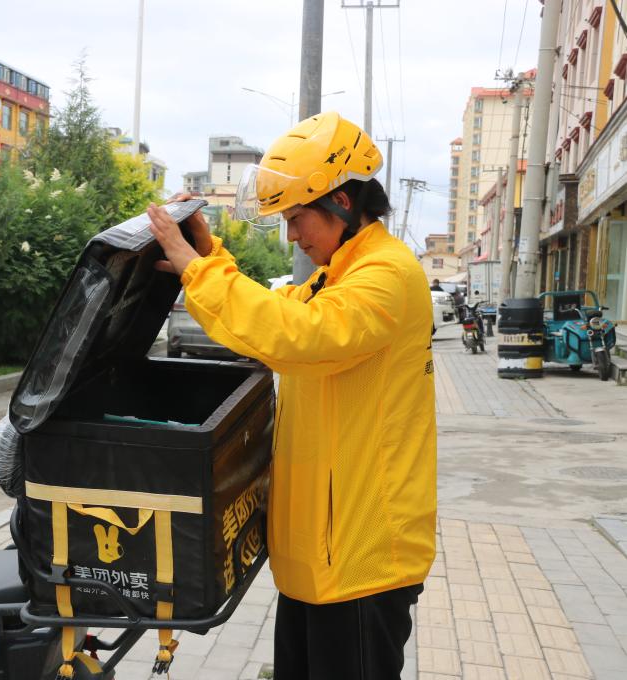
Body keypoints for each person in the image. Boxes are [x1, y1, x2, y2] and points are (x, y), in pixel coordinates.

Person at [146, 112, 436, 680]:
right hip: (320, 557)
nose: (293, 236)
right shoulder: (338, 275)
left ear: (342, 202)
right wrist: (209, 257)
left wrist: (197, 273)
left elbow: (299, 336)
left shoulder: (386, 276)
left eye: (297, 218)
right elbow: (274, 316)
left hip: (361, 563)